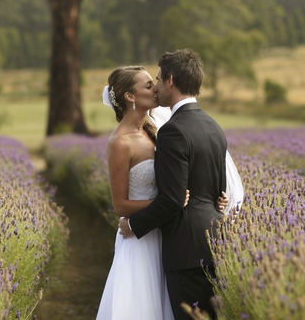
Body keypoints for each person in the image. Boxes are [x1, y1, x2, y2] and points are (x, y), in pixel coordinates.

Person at [96, 65, 231, 320]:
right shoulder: (120, 142)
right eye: (148, 85)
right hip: (141, 239)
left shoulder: (155, 132)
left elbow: (177, 179)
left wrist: (211, 196)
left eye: (155, 82)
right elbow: (120, 206)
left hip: (167, 233)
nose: (156, 88)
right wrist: (165, 204)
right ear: (130, 96)